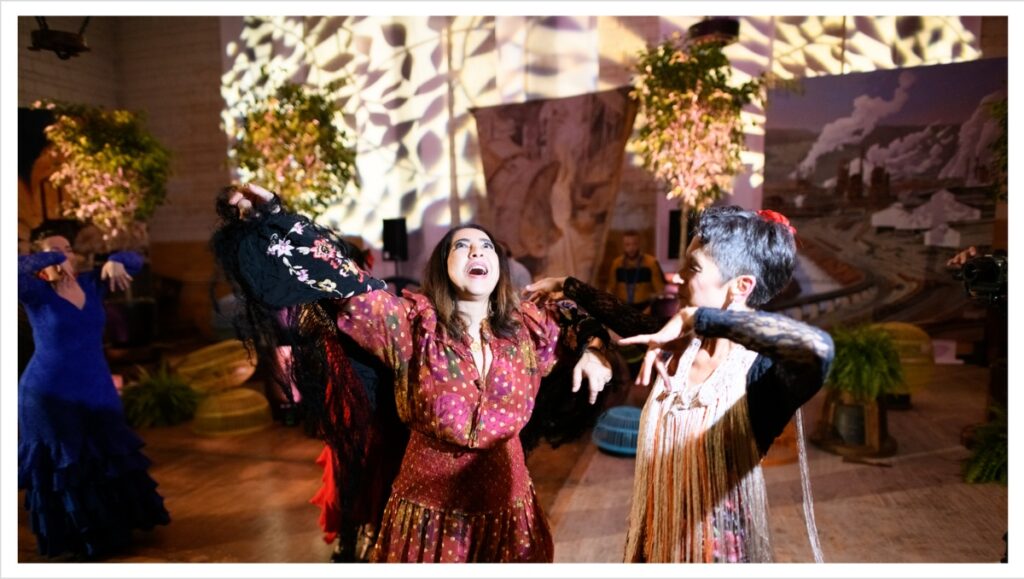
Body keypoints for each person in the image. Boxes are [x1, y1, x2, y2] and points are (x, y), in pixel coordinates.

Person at [212, 183, 613, 563]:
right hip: (428, 521)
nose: (477, 252)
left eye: (486, 246)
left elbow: (589, 317)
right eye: (463, 246)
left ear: (499, 267)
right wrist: (273, 217)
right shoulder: (409, 326)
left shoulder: (529, 329)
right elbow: (338, 275)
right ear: (443, 267)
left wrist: (594, 348)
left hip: (508, 516)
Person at [527, 206, 834, 562]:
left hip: (720, 556)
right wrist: (567, 286)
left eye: (694, 268)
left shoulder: (763, 374)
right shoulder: (679, 344)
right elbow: (621, 316)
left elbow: (819, 349)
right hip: (658, 543)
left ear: (741, 286)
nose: (677, 277)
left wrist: (702, 318)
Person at [18, 228, 170, 559]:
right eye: (53, 252)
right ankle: (79, 537)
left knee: (106, 457)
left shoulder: (90, 283)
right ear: (39, 258)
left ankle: (116, 528)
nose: (63, 255)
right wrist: (52, 255)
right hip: (49, 392)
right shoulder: (35, 291)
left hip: (96, 385)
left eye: (68, 249)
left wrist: (115, 260)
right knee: (68, 466)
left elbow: (136, 261)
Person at [606, 230, 666, 312]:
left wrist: (650, 308)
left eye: (635, 244)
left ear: (639, 244)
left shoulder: (651, 263)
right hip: (623, 308)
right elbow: (610, 290)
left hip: (645, 308)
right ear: (623, 246)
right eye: (627, 244)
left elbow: (660, 291)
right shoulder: (616, 264)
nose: (631, 248)